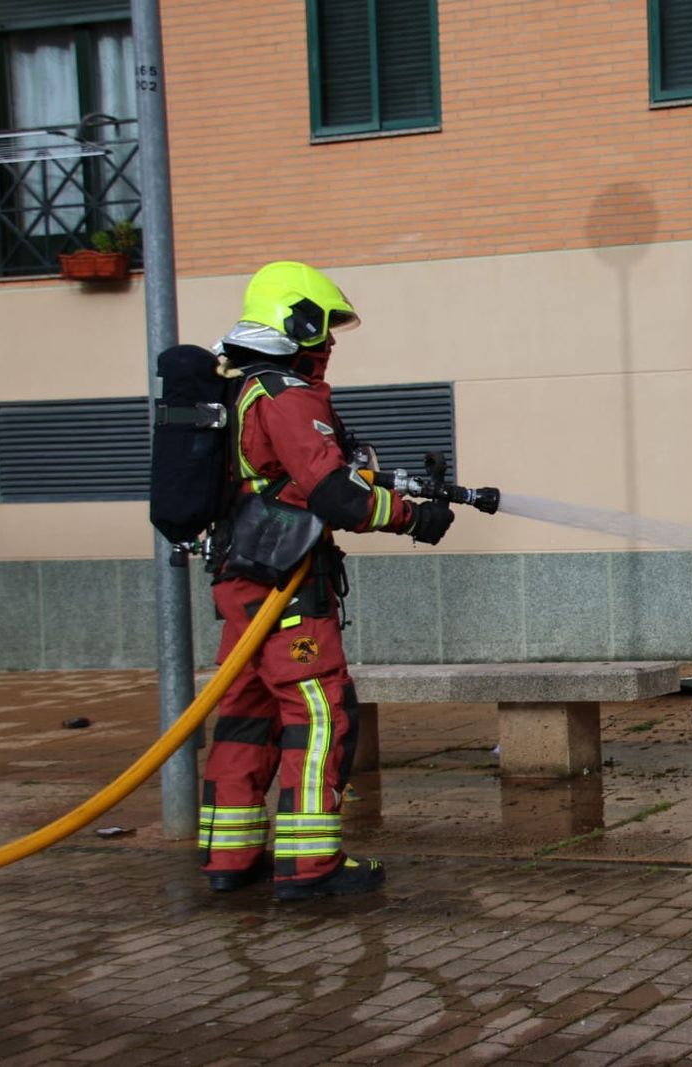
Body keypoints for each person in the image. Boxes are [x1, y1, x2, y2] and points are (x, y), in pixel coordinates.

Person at [196, 261, 454, 900]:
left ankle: (230, 858)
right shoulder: (285, 392)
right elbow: (335, 497)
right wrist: (413, 518)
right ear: (296, 321)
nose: (330, 341)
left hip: (242, 578)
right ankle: (310, 867)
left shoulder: (238, 386)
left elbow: (294, 476)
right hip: (286, 584)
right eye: (323, 328)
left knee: (245, 714)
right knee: (318, 715)